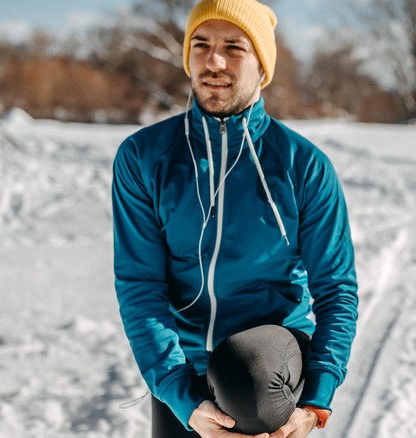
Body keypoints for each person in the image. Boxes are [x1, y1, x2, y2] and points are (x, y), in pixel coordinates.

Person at [111, 0, 358, 436]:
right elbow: (140, 284)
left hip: (264, 370)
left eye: (234, 47)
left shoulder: (302, 165)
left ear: (262, 66)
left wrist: (315, 401)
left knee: (245, 375)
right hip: (183, 366)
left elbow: (336, 290)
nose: (214, 61)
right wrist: (178, 392)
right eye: (201, 44)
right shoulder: (144, 157)